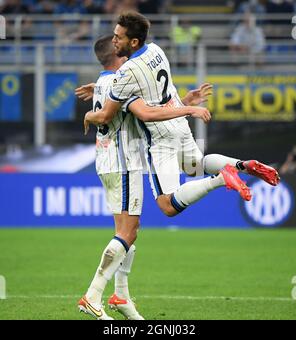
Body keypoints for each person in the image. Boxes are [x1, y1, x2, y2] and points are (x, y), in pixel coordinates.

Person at [85, 11, 279, 218]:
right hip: (179, 124)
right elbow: (153, 92)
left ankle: (222, 179)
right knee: (197, 166)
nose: (114, 40)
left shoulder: (126, 73)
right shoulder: (156, 51)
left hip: (161, 136)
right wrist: (185, 104)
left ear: (133, 41)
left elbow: (118, 115)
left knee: (167, 205)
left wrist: (88, 115)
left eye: (118, 37)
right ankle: (243, 165)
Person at [76, 36, 214, 320]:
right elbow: (148, 114)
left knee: (128, 231)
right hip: (124, 162)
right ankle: (92, 295)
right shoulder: (123, 83)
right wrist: (189, 109)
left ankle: (121, 297)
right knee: (128, 232)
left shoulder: (104, 82)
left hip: (107, 162)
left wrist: (91, 114)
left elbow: (108, 113)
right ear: (117, 56)